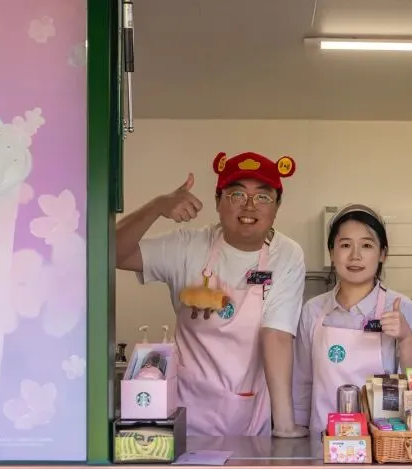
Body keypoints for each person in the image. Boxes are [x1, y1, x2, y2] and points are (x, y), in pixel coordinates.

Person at [115, 151, 308, 438]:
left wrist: (283, 426)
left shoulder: (286, 255)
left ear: (277, 206)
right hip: (185, 413)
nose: (250, 205)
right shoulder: (187, 246)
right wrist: (157, 207)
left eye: (263, 197)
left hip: (248, 417)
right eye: (237, 194)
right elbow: (110, 252)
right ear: (218, 201)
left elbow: (277, 336)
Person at [293, 204, 412, 433]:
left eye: (367, 245)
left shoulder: (402, 308)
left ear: (382, 254)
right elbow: (301, 384)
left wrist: (406, 338)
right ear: (331, 252)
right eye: (345, 245)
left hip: (382, 443)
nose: (355, 256)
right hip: (324, 442)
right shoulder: (313, 310)